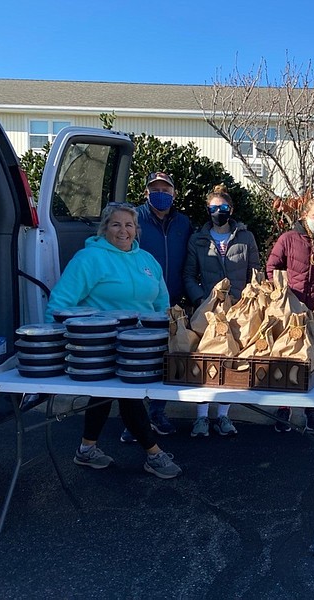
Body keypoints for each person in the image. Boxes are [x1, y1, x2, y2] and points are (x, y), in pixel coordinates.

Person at [45, 202, 181, 479]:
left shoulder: (147, 261)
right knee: (126, 394)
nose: (123, 231)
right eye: (116, 224)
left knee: (104, 396)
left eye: (129, 225)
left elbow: (162, 302)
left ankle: (86, 449)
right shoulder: (89, 259)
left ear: (137, 229)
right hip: (101, 347)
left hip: (143, 345)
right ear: (104, 228)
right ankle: (153, 453)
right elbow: (60, 303)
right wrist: (53, 346)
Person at [119, 171, 192, 443]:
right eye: (155, 188)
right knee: (137, 363)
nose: (160, 193)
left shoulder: (183, 222)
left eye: (166, 189)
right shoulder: (134, 219)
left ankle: (158, 413)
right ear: (146, 192)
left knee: (166, 360)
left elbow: (190, 259)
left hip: (171, 301)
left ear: (174, 193)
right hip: (139, 302)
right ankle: (133, 421)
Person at [184, 184, 261, 437]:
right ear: (208, 210)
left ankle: (224, 415)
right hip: (209, 310)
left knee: (231, 360)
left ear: (231, 209)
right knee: (205, 362)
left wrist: (248, 302)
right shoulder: (198, 239)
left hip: (239, 309)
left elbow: (255, 272)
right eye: (214, 208)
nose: (219, 212)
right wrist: (200, 300)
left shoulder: (245, 237)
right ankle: (202, 417)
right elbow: (188, 275)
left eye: (224, 207)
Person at [266, 197, 314, 433]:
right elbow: (272, 267)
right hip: (290, 308)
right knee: (288, 357)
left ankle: (311, 408)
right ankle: (285, 406)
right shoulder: (288, 238)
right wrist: (280, 293)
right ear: (304, 215)